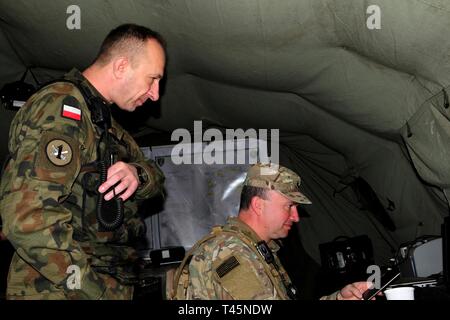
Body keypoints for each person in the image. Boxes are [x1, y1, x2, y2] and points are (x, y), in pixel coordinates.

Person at [0, 24, 166, 300]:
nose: (155, 94)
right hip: (61, 290)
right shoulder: (63, 108)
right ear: (122, 66)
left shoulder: (105, 123)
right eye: (152, 79)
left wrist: (137, 173)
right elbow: (27, 217)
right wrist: (94, 290)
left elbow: (156, 178)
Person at [169, 163, 371, 300]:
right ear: (258, 205)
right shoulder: (231, 253)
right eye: (288, 206)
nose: (296, 217)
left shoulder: (254, 249)